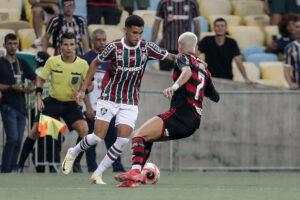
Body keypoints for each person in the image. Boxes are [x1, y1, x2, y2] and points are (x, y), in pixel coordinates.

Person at [61, 15, 176, 184]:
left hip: (130, 100)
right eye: (134, 32)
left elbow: (171, 57)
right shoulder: (114, 47)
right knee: (98, 136)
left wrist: (192, 61)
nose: (137, 36)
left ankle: (97, 174)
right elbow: (94, 63)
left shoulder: (146, 47)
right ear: (126, 30)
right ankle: (72, 153)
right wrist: (83, 89)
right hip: (110, 97)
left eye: (141, 33)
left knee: (122, 140)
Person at [114, 32, 220, 187]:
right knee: (146, 137)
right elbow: (216, 97)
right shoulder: (205, 70)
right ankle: (134, 178)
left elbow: (187, 71)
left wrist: (174, 86)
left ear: (179, 47)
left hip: (180, 114)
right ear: (197, 48)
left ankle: (135, 172)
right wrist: (204, 72)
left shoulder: (182, 57)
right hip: (193, 122)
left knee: (138, 135)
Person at [17, 32, 91, 173]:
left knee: (85, 131)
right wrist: (39, 97)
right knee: (34, 132)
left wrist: (82, 92)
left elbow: (90, 85)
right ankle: (19, 165)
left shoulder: (82, 64)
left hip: (70, 104)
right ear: (60, 46)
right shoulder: (52, 61)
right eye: (65, 44)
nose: (69, 47)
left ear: (75, 45)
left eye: (71, 44)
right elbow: (40, 79)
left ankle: (74, 163)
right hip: (52, 102)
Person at [82, 28, 125, 172]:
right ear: (92, 41)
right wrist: (87, 107)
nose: (101, 43)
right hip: (92, 108)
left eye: (103, 40)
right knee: (92, 141)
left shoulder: (111, 59)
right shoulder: (86, 59)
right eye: (98, 40)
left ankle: (117, 167)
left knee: (113, 140)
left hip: (109, 107)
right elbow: (85, 84)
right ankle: (92, 168)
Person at [0, 33, 36, 173]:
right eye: (10, 43)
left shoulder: (22, 62)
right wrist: (11, 87)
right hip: (7, 105)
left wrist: (31, 87)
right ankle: (5, 168)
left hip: (21, 106)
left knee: (18, 140)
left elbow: (35, 78)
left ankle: (12, 168)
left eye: (15, 44)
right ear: (4, 45)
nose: (13, 46)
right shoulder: (1, 62)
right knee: (12, 138)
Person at [198, 18, 254, 84]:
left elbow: (238, 61)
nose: (220, 28)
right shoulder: (207, 40)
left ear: (226, 28)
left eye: (222, 26)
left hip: (227, 79)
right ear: (214, 28)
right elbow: (195, 54)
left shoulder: (232, 42)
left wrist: (246, 78)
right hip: (210, 79)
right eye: (217, 26)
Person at [152, 0, 200, 71]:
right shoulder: (163, 3)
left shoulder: (192, 3)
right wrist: (152, 44)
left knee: (184, 76)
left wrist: (195, 45)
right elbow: (157, 23)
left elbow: (197, 26)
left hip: (185, 49)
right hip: (168, 47)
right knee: (165, 76)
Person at [284, 17, 300, 90]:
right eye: (297, 27)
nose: (298, 30)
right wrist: (291, 84)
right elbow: (286, 69)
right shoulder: (289, 48)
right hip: (297, 88)